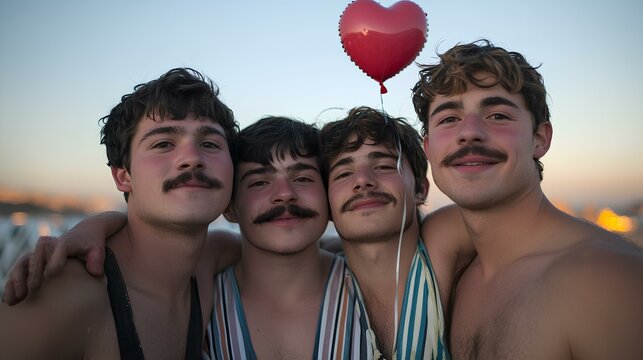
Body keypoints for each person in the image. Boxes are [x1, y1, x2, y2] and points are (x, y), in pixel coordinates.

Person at [412, 39, 643, 359]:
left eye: (497, 115)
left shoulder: (606, 281)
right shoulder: (457, 274)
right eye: (449, 119)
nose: (469, 132)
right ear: (428, 149)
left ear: (539, 138)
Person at [0, 68, 240, 359]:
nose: (192, 158)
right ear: (124, 176)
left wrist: (94, 226)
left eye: (210, 144)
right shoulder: (65, 296)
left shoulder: (210, 261)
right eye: (163, 143)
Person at [318, 106, 453, 359]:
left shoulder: (448, 250)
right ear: (326, 203)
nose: (362, 181)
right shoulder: (315, 286)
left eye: (383, 166)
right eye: (344, 173)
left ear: (421, 190)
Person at [204, 116, 339, 359]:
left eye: (302, 179)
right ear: (230, 206)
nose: (285, 194)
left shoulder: (372, 291)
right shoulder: (199, 306)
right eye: (259, 182)